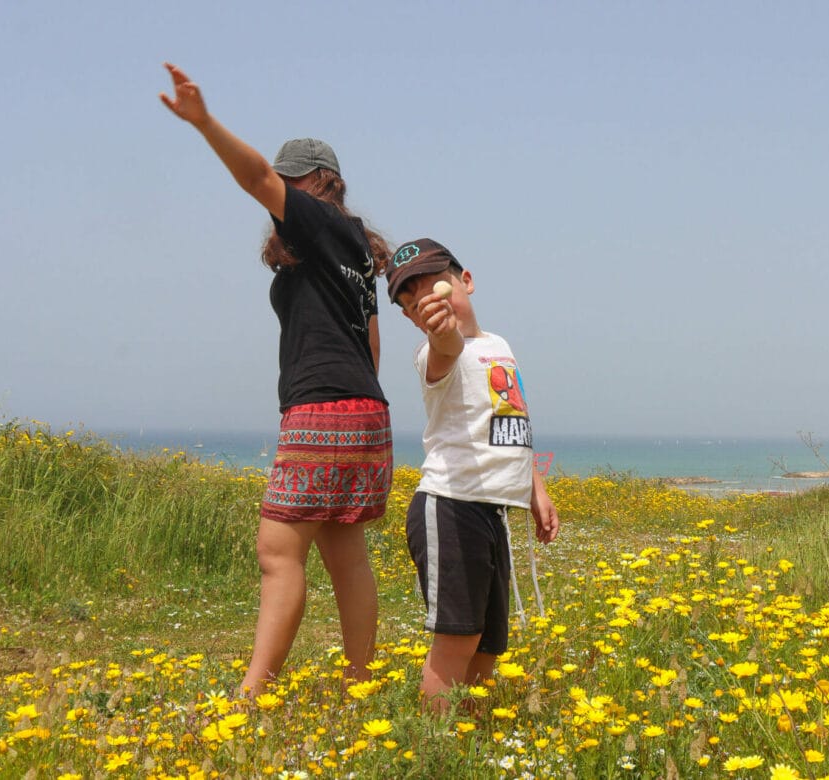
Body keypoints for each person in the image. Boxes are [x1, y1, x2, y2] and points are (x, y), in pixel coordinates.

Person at [159, 63, 394, 697]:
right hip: (365, 409)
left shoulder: (319, 224)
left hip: (322, 407)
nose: (282, 190)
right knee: (346, 554)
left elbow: (256, 176)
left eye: (295, 181)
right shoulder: (351, 252)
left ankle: (251, 698)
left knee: (278, 552)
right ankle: (359, 687)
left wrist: (204, 123)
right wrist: (355, 410)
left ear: (324, 183)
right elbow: (371, 343)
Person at [386, 238, 559, 712]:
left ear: (466, 280)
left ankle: (473, 736)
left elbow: (511, 423)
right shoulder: (435, 354)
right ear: (411, 319)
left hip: (492, 511)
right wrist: (439, 332)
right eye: (414, 302)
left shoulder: (500, 346)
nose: (430, 302)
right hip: (449, 505)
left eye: (436, 285)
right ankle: (437, 749)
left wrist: (534, 488)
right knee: (456, 640)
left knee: (486, 645)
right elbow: (446, 346)